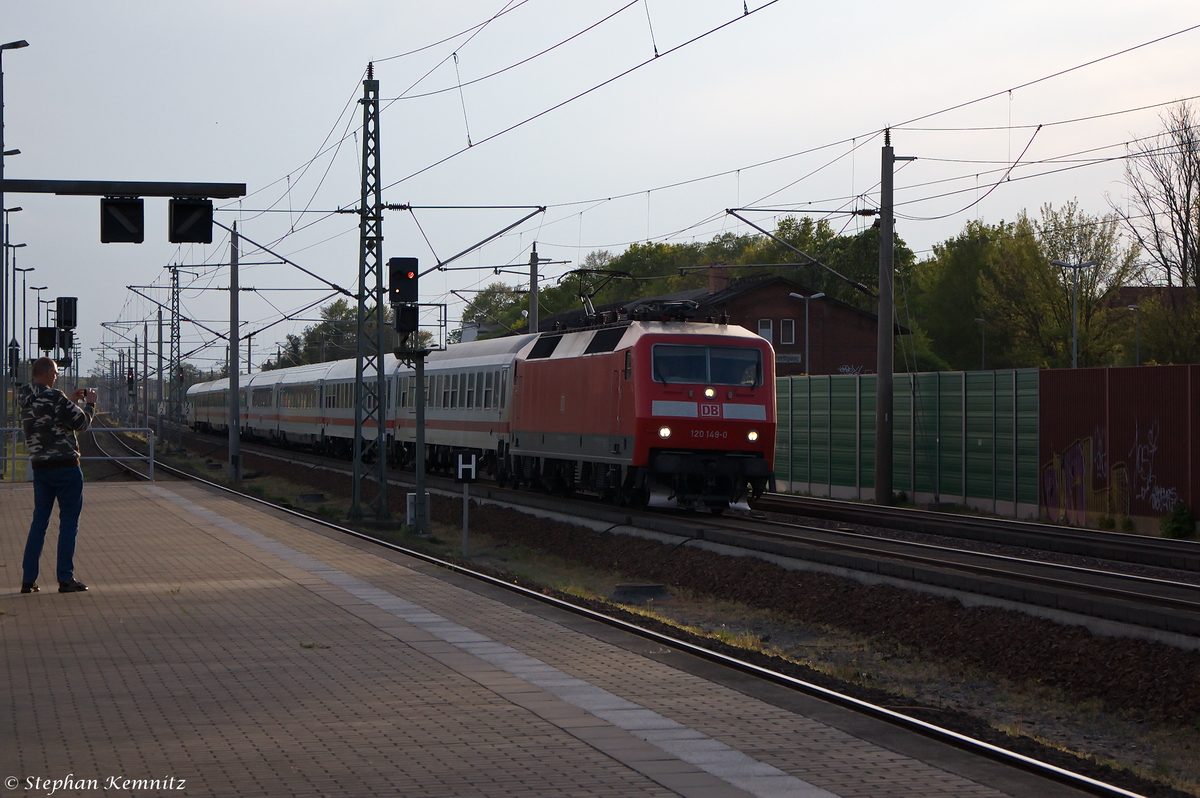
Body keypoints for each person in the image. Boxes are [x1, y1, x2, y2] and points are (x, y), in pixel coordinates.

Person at [18, 356, 96, 594]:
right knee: (68, 523)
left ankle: (28, 580)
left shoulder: (25, 398)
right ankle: (65, 578)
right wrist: (90, 404)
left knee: (39, 523)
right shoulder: (55, 396)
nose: (56, 376)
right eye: (55, 372)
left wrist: (70, 401)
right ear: (48, 372)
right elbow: (81, 423)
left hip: (40, 468)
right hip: (65, 467)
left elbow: (51, 416)